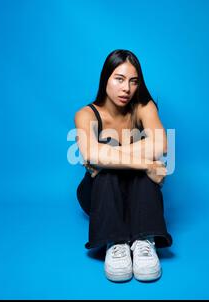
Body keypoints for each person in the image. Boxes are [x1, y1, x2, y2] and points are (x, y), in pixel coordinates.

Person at [74, 49, 173, 282]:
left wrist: (105, 155)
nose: (126, 88)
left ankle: (144, 240)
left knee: (115, 165)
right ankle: (115, 242)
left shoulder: (144, 107)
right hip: (98, 195)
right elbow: (90, 152)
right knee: (114, 171)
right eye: (119, 79)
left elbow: (161, 145)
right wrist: (145, 163)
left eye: (133, 81)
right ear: (105, 78)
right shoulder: (85, 115)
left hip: (138, 195)